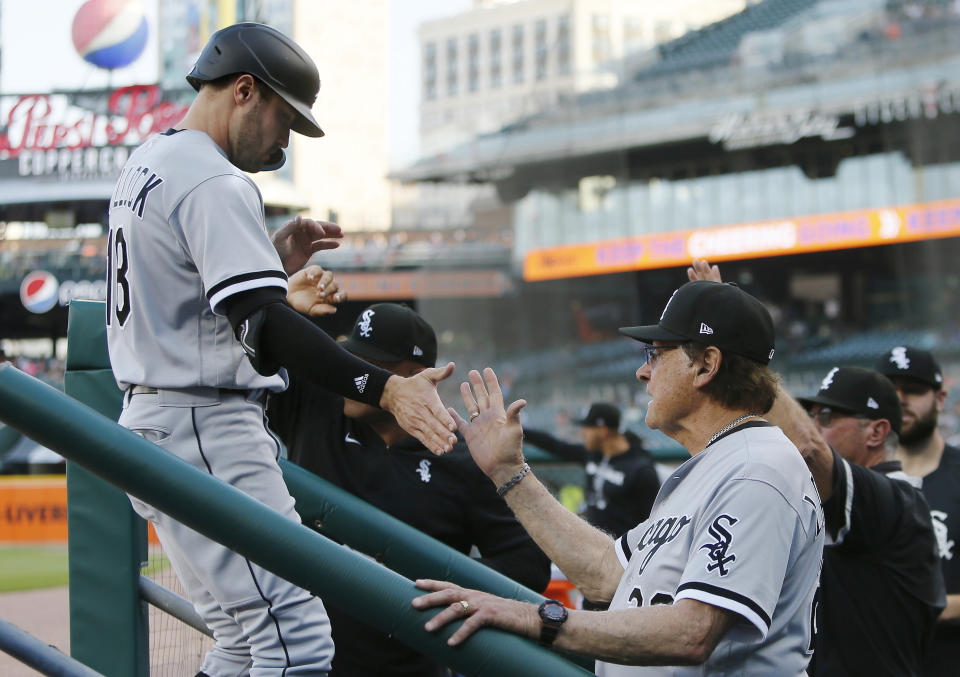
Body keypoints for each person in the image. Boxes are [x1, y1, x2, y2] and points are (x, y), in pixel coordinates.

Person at [105, 23, 457, 676]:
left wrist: (267, 258)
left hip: (160, 418)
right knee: (297, 641)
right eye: (283, 119)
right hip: (204, 424)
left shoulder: (148, 162)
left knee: (245, 641)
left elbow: (196, 306)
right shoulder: (213, 180)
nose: (284, 143)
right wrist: (386, 388)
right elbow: (264, 327)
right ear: (244, 90)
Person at [412, 280, 824, 675]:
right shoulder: (722, 463)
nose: (643, 372)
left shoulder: (756, 471)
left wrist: (537, 617)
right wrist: (510, 473)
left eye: (656, 354)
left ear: (706, 365)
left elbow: (693, 632)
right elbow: (608, 573)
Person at [267, 281, 551, 676]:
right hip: (300, 660)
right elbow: (252, 356)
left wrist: (439, 588)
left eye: (372, 365)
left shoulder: (464, 461)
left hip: (406, 665)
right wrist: (286, 307)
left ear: (419, 375)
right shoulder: (317, 402)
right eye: (350, 359)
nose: (355, 374)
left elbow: (528, 564)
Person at [767, 365, 946, 676]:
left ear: (875, 432)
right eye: (810, 415)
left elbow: (808, 447)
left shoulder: (897, 501)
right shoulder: (840, 502)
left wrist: (747, 368)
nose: (813, 426)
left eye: (825, 418)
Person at [523, 403, 660, 609]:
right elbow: (557, 446)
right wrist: (522, 431)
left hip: (622, 567)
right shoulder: (594, 454)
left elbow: (653, 525)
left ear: (603, 430)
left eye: (586, 428)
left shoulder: (641, 469)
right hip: (591, 555)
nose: (582, 434)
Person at [875, 346, 960, 675]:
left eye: (913, 390)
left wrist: (914, 607)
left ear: (940, 398)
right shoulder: (861, 483)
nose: (900, 400)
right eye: (889, 390)